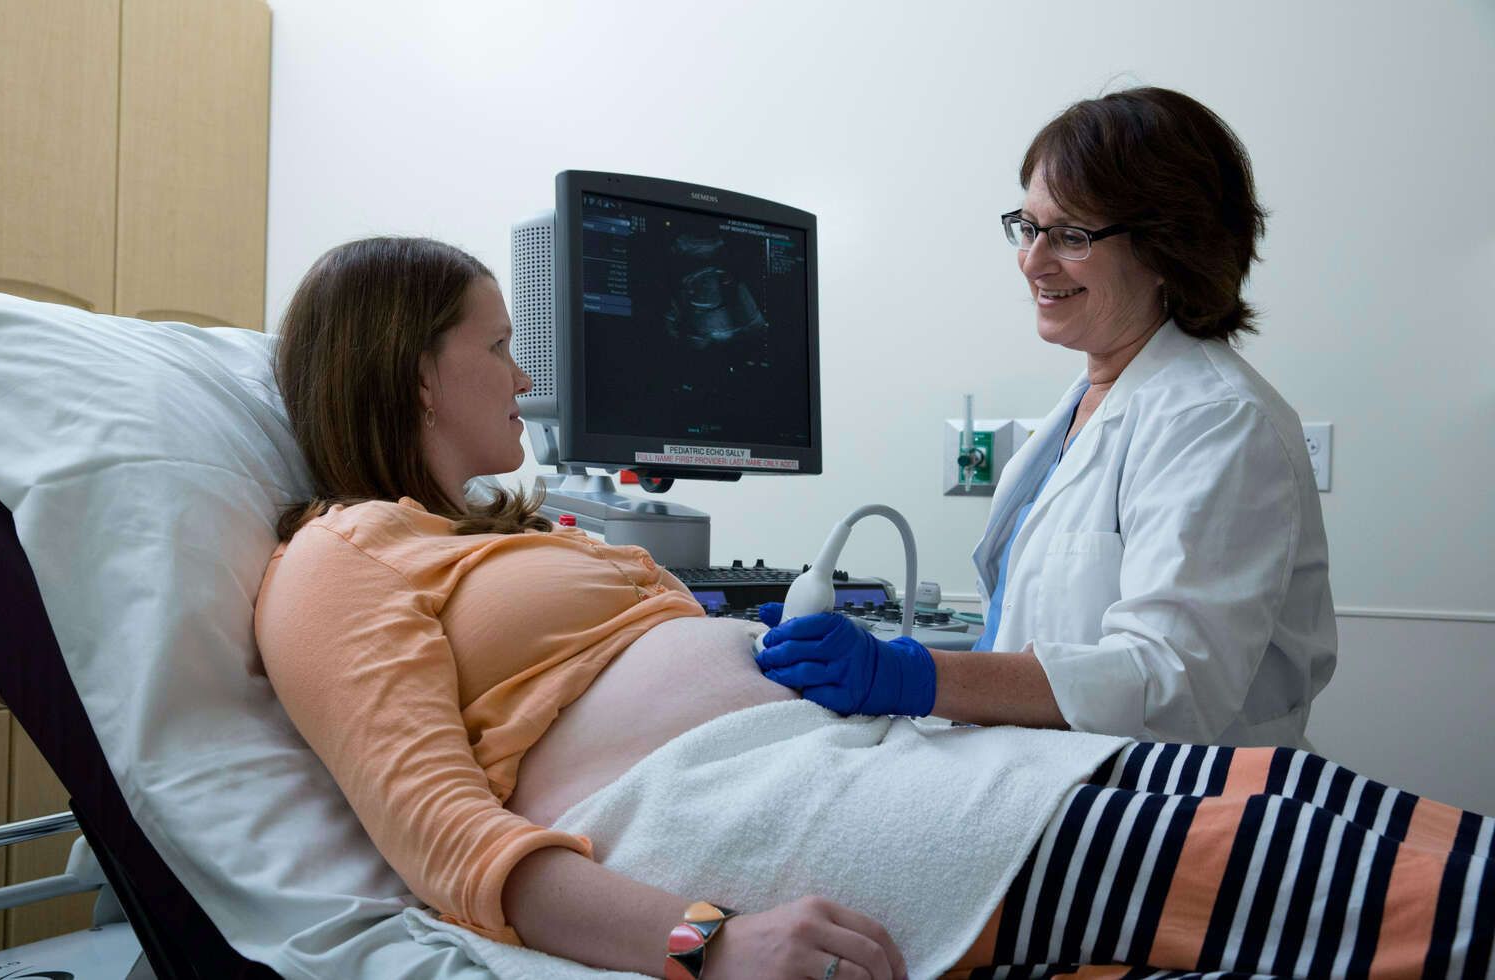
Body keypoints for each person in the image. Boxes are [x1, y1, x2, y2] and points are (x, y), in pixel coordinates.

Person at [255, 236, 1490, 980]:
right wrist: (703, 943)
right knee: (1403, 897)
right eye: (498, 343)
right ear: (413, 365)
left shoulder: (514, 533)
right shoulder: (338, 557)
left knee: (1342, 816)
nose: (528, 374)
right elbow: (445, 843)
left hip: (884, 764)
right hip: (765, 801)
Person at [757, 87, 1337, 748]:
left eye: (1072, 235)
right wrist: (878, 648)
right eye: (1028, 227)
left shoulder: (1221, 423)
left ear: (1167, 247)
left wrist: (907, 674)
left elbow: (1168, 680)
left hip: (1167, 807)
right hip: (1049, 778)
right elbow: (1038, 633)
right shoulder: (1087, 407)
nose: (1033, 261)